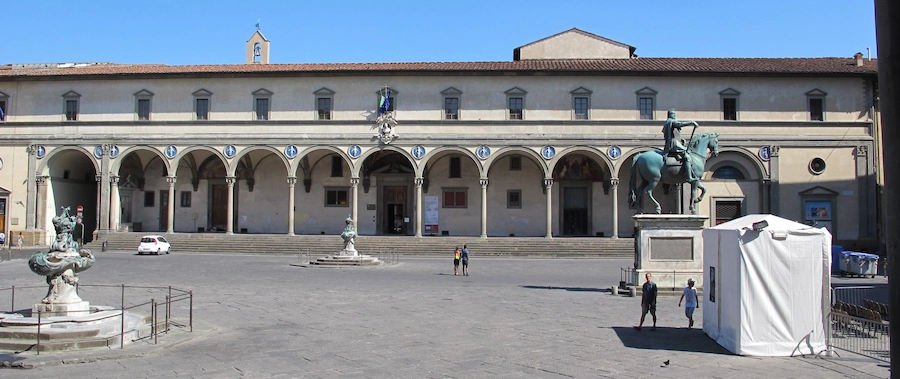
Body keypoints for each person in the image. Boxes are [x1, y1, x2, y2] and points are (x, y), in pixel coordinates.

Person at [661, 109, 699, 182]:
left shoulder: (668, 123)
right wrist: (691, 122)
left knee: (685, 153)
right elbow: (680, 124)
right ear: (669, 115)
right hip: (674, 144)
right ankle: (689, 177)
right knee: (688, 157)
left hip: (673, 142)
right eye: (673, 114)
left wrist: (681, 139)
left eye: (674, 114)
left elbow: (673, 134)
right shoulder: (672, 121)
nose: (674, 115)